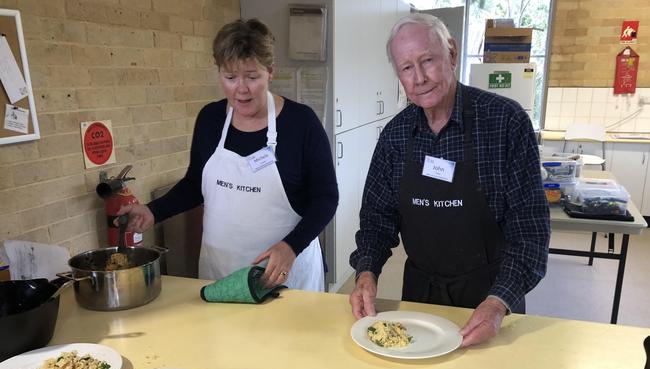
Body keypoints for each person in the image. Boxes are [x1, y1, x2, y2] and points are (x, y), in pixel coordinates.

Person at [349, 14, 550, 347]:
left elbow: (530, 233)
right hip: (419, 297)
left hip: (490, 298)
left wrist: (498, 304)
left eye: (427, 60)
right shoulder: (395, 137)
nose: (420, 78)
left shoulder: (505, 123)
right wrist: (366, 274)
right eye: (407, 68)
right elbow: (376, 221)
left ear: (452, 54)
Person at [118, 19, 338, 291]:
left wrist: (291, 247)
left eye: (252, 76)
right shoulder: (210, 119)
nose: (241, 88)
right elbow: (195, 184)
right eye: (230, 77)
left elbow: (326, 198)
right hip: (220, 272)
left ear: (270, 72)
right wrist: (153, 211)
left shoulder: (301, 123)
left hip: (284, 275)